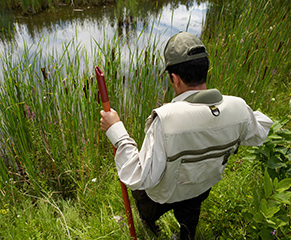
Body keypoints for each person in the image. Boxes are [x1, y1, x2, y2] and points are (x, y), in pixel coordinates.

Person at [100, 31, 273, 240]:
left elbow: (139, 176)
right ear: (206, 70)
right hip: (201, 186)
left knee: (143, 194)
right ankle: (187, 235)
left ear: (174, 78)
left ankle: (148, 222)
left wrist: (117, 131)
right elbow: (262, 129)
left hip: (165, 195)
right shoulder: (238, 108)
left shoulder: (166, 120)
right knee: (191, 210)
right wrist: (235, 112)